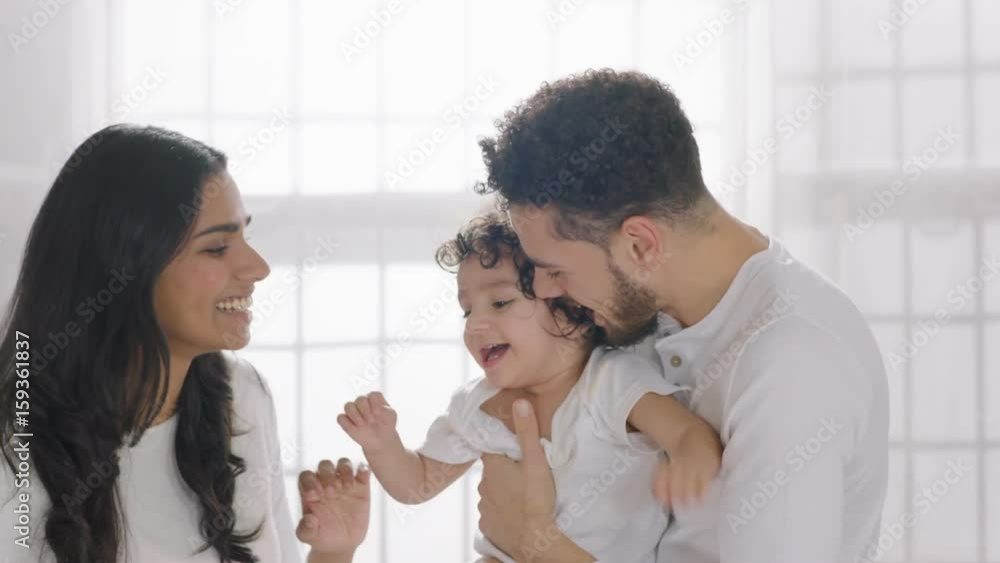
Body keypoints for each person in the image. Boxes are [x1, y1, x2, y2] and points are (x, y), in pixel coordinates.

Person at [471, 69, 890, 562]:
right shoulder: (644, 314)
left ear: (640, 244)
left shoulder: (791, 366)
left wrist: (535, 544)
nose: (542, 290)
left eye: (556, 270)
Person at [0, 124, 364, 563]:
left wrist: (334, 551)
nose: (258, 267)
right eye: (216, 248)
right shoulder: (14, 434)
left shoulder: (241, 397)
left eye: (244, 237)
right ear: (127, 265)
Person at [336, 213, 722, 562]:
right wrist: (382, 444)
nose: (475, 325)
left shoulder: (609, 382)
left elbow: (687, 431)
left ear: (575, 313)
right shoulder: (479, 404)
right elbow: (417, 484)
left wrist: (690, 461)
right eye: (467, 310)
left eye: (500, 302)